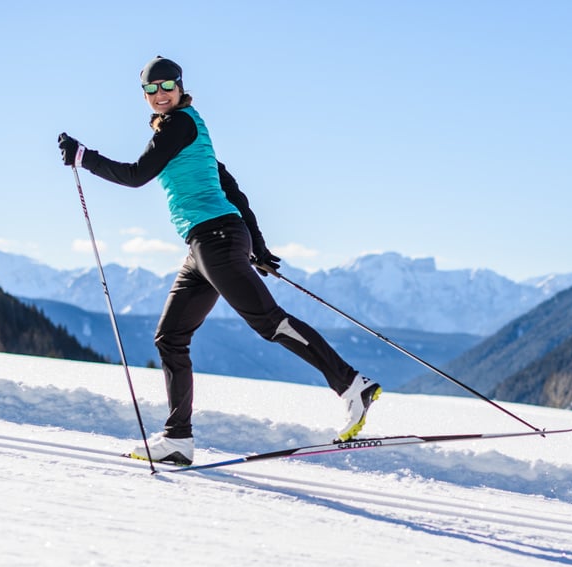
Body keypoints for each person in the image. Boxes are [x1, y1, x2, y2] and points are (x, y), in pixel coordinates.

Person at [59, 56, 380, 465]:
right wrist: (257, 246)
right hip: (207, 243)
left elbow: (136, 174)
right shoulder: (192, 130)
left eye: (166, 86)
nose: (160, 95)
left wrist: (84, 157)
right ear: (143, 95)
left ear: (180, 86)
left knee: (269, 321)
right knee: (170, 336)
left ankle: (352, 384)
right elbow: (232, 188)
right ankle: (177, 440)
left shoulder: (179, 125)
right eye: (151, 90)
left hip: (216, 238)